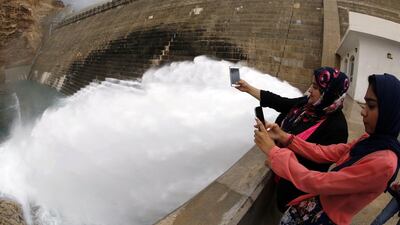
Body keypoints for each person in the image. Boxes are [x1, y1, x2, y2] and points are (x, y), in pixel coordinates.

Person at [253, 73, 400, 225]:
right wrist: (286, 137)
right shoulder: (370, 141)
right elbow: (325, 152)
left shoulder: (384, 163)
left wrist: (274, 152)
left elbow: (321, 182)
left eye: (371, 105)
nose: (363, 111)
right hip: (308, 204)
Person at [236, 67, 349, 212]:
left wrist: (273, 149)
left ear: (329, 92)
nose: (309, 91)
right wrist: (248, 88)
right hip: (279, 180)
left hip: (295, 195)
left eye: (315, 87)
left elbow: (315, 168)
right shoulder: (308, 104)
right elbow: (280, 102)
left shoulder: (337, 128)